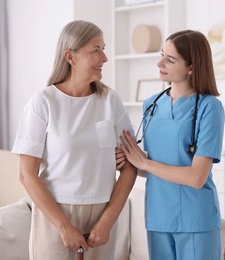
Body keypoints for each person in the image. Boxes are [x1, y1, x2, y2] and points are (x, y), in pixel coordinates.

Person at [12, 20, 137, 260]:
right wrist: (63, 227)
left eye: (104, 48)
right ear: (70, 56)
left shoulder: (110, 101)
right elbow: (27, 175)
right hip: (55, 215)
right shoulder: (43, 102)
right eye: (95, 50)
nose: (104, 58)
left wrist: (107, 222)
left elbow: (131, 166)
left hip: (103, 213)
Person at [118, 29, 225, 260]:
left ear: (191, 67)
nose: (160, 63)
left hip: (196, 219)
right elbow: (154, 167)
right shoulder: (151, 105)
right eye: (161, 54)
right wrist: (127, 162)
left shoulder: (209, 108)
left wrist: (144, 162)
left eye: (170, 59)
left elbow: (197, 177)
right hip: (158, 218)